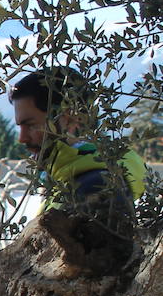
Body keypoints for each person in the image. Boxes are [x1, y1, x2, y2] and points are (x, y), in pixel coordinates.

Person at [9, 67, 146, 241]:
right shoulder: (70, 178)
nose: (21, 138)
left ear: (71, 118)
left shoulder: (96, 186)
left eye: (31, 125)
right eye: (20, 127)